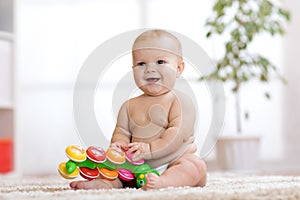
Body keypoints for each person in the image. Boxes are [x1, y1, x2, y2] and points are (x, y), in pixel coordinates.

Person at [70, 29, 207, 190]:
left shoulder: (179, 101)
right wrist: (118, 146)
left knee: (194, 166)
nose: (149, 69)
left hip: (172, 161)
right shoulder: (129, 106)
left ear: (178, 68)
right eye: (142, 64)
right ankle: (105, 183)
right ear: (133, 68)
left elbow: (177, 135)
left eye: (160, 62)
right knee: (111, 167)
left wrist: (149, 149)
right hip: (136, 166)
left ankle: (164, 182)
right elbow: (121, 132)